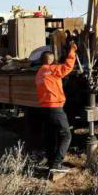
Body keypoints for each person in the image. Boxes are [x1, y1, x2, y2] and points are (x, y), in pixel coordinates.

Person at [35, 42, 77, 173]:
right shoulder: (53, 70)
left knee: (50, 135)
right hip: (55, 108)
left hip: (44, 108)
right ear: (51, 60)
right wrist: (72, 51)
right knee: (66, 135)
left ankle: (50, 161)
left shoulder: (39, 73)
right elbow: (68, 66)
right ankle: (57, 164)